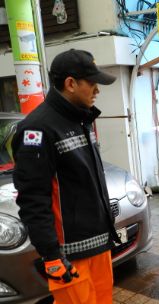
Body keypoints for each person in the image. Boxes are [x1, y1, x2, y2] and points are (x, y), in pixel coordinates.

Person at [12, 49, 120, 303]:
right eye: (92, 84)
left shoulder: (79, 120)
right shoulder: (37, 129)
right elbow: (32, 199)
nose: (97, 91)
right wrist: (51, 256)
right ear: (71, 84)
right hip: (69, 256)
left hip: (97, 246)